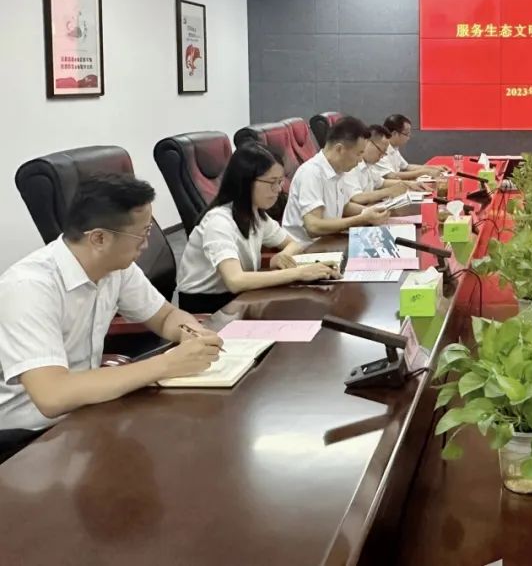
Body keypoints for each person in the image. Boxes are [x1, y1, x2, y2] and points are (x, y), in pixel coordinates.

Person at [0, 174, 223, 462]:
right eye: (142, 234)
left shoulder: (116, 268)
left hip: (86, 409)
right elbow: (52, 395)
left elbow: (165, 315)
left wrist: (191, 333)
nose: (147, 244)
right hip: (26, 438)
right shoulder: (28, 288)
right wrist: (167, 364)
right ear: (99, 238)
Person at [176, 143, 340, 312]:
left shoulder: (255, 214)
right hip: (207, 305)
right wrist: (300, 273)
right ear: (246, 182)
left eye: (280, 182)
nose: (278, 189)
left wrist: (281, 256)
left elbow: (294, 243)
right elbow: (235, 281)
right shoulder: (218, 222)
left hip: (237, 296)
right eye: (272, 182)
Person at [283, 116, 389, 244]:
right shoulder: (311, 173)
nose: (361, 159)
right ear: (339, 149)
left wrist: (370, 211)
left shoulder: (338, 170)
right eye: (358, 153)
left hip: (328, 239)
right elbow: (314, 227)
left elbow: (344, 206)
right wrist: (362, 219)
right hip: (305, 248)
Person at [344, 124, 422, 204]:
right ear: (367, 142)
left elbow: (381, 183)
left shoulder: (369, 164)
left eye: (384, 153)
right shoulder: (351, 164)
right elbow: (356, 197)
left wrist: (408, 184)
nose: (381, 156)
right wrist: (389, 191)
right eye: (380, 151)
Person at [373, 114, 446, 182]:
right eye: (407, 134)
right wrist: (423, 172)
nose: (408, 137)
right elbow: (390, 176)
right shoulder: (380, 149)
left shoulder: (394, 148)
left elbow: (406, 167)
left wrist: (433, 168)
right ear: (395, 133)